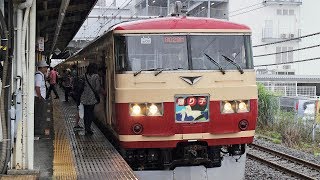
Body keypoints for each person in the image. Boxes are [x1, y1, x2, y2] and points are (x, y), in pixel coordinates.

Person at [80, 63, 101, 135]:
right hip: (92, 98)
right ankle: (88, 129)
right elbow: (97, 88)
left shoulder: (84, 75)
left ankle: (86, 128)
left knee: (86, 114)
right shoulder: (96, 76)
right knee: (91, 114)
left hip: (84, 97)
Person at [34, 60, 49, 135]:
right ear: (42, 67)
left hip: (39, 98)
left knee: (41, 114)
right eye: (45, 67)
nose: (46, 69)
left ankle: (40, 130)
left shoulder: (40, 75)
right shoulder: (38, 76)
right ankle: (39, 131)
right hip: (39, 98)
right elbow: (37, 87)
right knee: (40, 114)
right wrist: (40, 97)